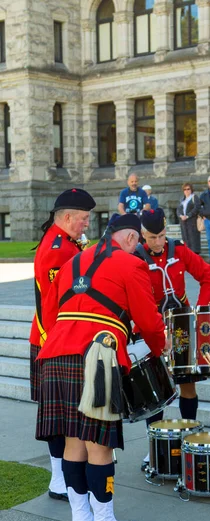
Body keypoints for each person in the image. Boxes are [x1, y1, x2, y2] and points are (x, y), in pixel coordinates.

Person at [36, 214, 167, 521]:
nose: (138, 247)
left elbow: (49, 312)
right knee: (99, 445)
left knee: (73, 443)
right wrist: (159, 349)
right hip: (96, 355)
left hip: (56, 354)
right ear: (129, 237)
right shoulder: (130, 264)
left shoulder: (72, 262)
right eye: (137, 241)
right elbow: (150, 322)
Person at [136, 208, 210, 470]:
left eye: (161, 236)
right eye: (151, 238)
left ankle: (189, 436)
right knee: (156, 392)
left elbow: (208, 276)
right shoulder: (135, 256)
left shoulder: (178, 250)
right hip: (151, 328)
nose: (158, 243)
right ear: (141, 234)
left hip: (182, 326)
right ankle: (155, 447)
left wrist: (200, 314)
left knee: (188, 386)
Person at [29, 188, 96, 502]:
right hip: (53, 341)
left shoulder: (65, 241)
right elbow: (55, 306)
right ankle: (58, 479)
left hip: (53, 340)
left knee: (58, 413)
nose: (86, 225)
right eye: (83, 219)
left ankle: (61, 476)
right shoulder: (59, 249)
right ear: (68, 218)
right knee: (56, 416)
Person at [176, 182, 201, 254]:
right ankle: (188, 253)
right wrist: (180, 216)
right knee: (186, 239)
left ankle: (195, 254)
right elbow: (178, 210)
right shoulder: (182, 199)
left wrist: (188, 216)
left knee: (193, 239)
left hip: (192, 221)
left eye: (188, 189)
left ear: (191, 190)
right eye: (185, 189)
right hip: (183, 222)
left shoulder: (194, 197)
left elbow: (197, 208)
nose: (186, 191)